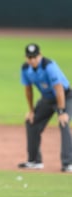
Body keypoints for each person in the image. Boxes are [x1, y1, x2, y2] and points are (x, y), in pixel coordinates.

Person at [18, 43, 72, 172]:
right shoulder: (26, 68)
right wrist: (31, 111)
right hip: (47, 99)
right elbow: (28, 89)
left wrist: (62, 111)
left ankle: (68, 163)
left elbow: (59, 89)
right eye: (29, 57)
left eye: (34, 57)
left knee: (63, 123)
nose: (32, 60)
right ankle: (34, 161)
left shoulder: (48, 66)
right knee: (31, 122)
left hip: (65, 97)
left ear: (40, 55)